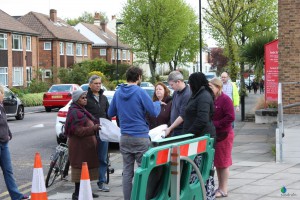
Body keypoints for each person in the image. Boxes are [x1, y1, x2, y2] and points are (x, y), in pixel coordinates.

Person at [108, 66, 161, 200]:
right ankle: (143, 197)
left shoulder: (118, 92)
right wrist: (158, 104)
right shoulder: (140, 92)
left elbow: (110, 112)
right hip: (140, 136)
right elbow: (153, 112)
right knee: (144, 170)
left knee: (127, 172)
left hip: (125, 136)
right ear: (138, 77)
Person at [182, 72, 216, 199]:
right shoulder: (197, 95)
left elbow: (202, 119)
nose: (189, 85)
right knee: (195, 172)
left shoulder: (204, 96)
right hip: (197, 139)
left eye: (190, 83)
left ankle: (206, 196)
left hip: (202, 139)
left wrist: (188, 134)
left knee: (202, 171)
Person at [65, 89, 100, 200]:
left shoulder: (82, 110)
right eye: (82, 98)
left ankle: (86, 191)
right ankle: (77, 194)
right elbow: (78, 131)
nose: (85, 99)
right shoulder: (75, 112)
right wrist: (93, 128)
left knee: (86, 170)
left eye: (85, 97)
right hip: (79, 147)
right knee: (80, 170)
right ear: (76, 100)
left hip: (86, 147)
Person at [0, 85, 29, 200]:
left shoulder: (1, 106)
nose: (3, 95)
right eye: (2, 93)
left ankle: (16, 196)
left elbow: (4, 122)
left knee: (8, 171)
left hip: (4, 143)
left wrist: (8, 132)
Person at [209, 78, 235, 198]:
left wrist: (215, 124)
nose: (209, 89)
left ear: (218, 88)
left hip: (224, 135)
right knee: (218, 162)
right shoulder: (212, 100)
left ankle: (224, 189)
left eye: (211, 87)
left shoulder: (226, 100)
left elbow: (231, 117)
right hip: (216, 135)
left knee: (223, 163)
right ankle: (219, 187)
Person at [85, 75, 111, 192]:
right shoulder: (85, 98)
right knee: (89, 158)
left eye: (100, 83)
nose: (98, 85)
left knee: (102, 158)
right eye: (96, 83)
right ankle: (86, 183)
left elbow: (108, 114)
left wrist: (109, 126)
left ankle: (101, 182)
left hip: (103, 132)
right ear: (90, 85)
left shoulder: (104, 98)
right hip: (90, 132)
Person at [165, 71, 191, 136]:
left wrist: (170, 128)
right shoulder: (176, 92)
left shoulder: (187, 94)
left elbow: (182, 116)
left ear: (178, 82)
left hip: (182, 130)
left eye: (172, 85)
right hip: (175, 129)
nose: (171, 87)